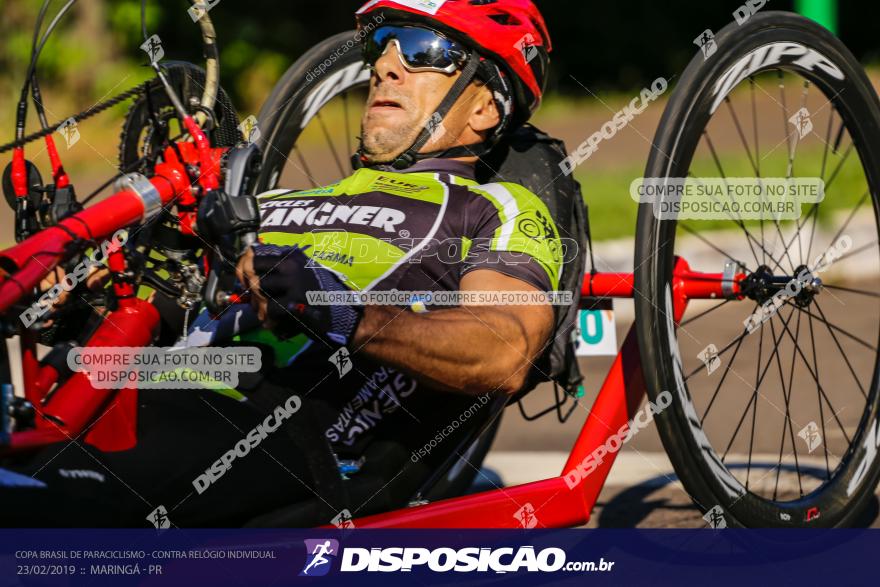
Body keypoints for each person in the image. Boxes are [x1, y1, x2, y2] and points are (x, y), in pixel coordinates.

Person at [0, 0, 560, 527]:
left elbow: (505, 348)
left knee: (39, 502)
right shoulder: (270, 203)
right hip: (140, 390)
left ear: (485, 105)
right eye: (383, 47)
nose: (387, 65)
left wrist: (343, 312)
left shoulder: (493, 208)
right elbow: (167, 311)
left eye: (421, 49)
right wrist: (71, 302)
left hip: (273, 429)